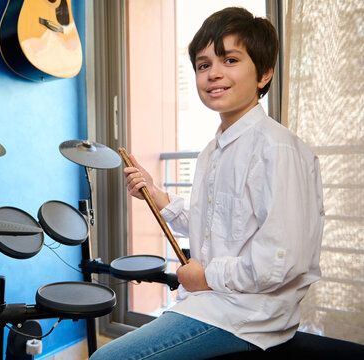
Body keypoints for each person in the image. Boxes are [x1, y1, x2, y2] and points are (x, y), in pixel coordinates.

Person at [90, 6, 324, 359]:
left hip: (247, 316)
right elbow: (214, 227)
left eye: (229, 60)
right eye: (203, 65)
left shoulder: (277, 148)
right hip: (208, 303)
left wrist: (207, 275)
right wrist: (156, 195)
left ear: (264, 73)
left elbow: (281, 262)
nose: (213, 73)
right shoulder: (212, 150)